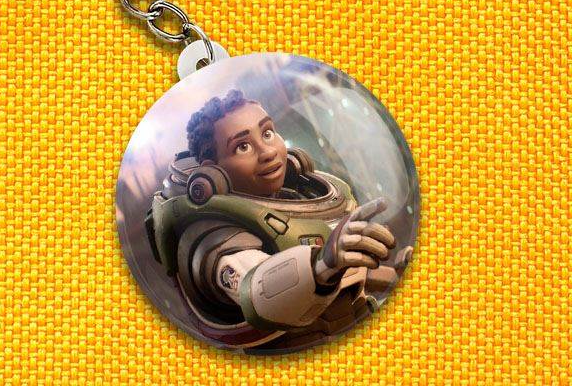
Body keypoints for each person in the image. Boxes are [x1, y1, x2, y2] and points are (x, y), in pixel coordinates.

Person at [146, 88, 410, 350]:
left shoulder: (298, 197)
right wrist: (322, 265)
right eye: (243, 146)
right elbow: (256, 288)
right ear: (213, 172)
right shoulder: (214, 235)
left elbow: (353, 275)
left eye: (267, 133)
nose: (268, 152)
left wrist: (397, 276)